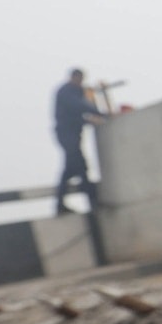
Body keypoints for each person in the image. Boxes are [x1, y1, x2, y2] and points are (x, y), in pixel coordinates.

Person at [53, 68, 106, 215]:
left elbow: (81, 111)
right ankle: (93, 202)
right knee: (80, 167)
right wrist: (99, 114)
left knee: (71, 168)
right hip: (66, 134)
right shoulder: (66, 91)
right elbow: (78, 107)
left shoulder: (77, 91)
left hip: (73, 134)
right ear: (74, 78)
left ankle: (61, 205)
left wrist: (93, 117)